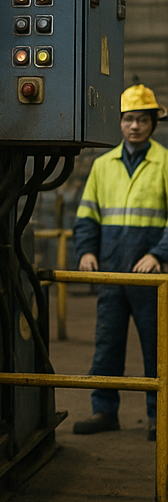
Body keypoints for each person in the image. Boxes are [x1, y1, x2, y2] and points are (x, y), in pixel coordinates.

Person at [72, 84, 167, 441]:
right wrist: (86, 251)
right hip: (111, 271)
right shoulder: (103, 166)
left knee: (156, 348)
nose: (135, 126)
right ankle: (104, 410)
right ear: (120, 122)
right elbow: (87, 216)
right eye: (129, 119)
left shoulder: (166, 163)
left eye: (142, 119)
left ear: (153, 123)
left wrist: (157, 254)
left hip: (150, 276)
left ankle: (159, 416)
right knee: (107, 344)